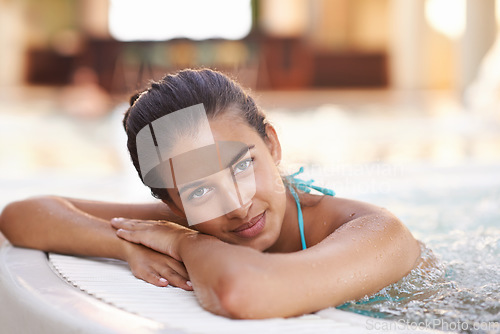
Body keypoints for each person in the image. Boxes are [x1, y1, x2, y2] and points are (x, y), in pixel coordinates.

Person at [0, 68, 420, 319]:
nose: (236, 205)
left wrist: (183, 241)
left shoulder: (373, 229)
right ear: (171, 203)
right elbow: (24, 214)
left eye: (242, 166)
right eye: (199, 189)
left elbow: (242, 293)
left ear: (272, 144)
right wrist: (123, 245)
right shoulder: (198, 217)